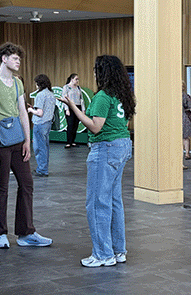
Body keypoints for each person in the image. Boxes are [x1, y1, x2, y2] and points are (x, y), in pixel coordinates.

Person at [59, 54, 135, 268]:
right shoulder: (123, 95)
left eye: (96, 70)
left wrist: (73, 107)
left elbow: (95, 127)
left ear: (103, 72)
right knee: (114, 201)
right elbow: (122, 124)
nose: (93, 73)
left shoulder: (103, 96)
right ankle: (118, 250)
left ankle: (103, 254)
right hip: (122, 146)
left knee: (97, 202)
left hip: (105, 149)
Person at [0, 42, 52, 249]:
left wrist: (27, 140)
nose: (18, 62)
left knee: (27, 184)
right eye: (15, 58)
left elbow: (23, 112)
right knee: (2, 187)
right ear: (4, 58)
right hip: (0, 140)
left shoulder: (17, 83)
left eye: (19, 58)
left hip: (17, 139)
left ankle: (26, 233)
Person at [28, 74, 55, 176]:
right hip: (47, 123)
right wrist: (34, 108)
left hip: (40, 123)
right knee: (45, 147)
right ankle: (43, 168)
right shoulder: (51, 94)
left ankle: (42, 170)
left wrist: (30, 110)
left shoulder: (40, 95)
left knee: (39, 148)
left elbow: (40, 113)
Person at [62, 73, 83, 147]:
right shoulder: (66, 87)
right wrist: (67, 109)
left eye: (78, 79)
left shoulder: (78, 88)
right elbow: (64, 99)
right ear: (71, 79)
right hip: (70, 107)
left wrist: (83, 110)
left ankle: (73, 141)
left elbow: (81, 99)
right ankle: (68, 142)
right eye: (76, 79)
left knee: (75, 125)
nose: (77, 81)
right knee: (70, 124)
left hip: (78, 107)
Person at [182, 88, 191, 161]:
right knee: (185, 137)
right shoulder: (186, 96)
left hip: (182, 117)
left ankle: (185, 153)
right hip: (185, 117)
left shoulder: (172, 96)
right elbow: (189, 106)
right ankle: (187, 153)